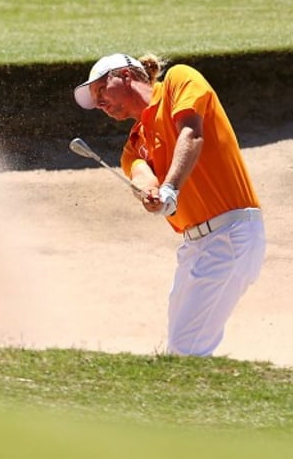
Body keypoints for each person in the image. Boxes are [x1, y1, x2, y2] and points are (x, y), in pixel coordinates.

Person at [73, 53, 266, 357]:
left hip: (231, 233)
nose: (99, 104)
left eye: (100, 91)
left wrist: (170, 188)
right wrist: (151, 196)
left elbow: (192, 132)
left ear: (124, 75)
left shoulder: (178, 81)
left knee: (187, 349)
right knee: (180, 349)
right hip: (194, 247)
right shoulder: (134, 144)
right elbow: (141, 175)